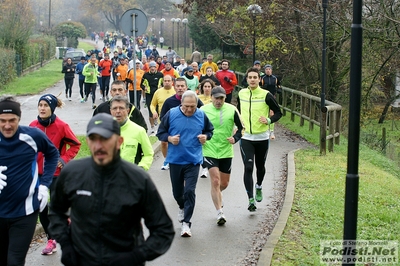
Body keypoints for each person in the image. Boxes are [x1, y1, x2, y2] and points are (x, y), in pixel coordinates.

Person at [48, 113, 174, 266]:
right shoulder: (72, 173)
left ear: (119, 141)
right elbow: (56, 211)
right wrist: (66, 245)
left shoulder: (137, 179)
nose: (99, 145)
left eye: (106, 139)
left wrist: (137, 256)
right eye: (93, 139)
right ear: (87, 141)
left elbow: (163, 230)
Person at [0, 96, 58, 266]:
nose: (7, 125)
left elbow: (53, 154)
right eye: (2, 121)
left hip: (25, 212)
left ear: (19, 118)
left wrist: (44, 186)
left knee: (15, 261)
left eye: (12, 120)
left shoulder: (32, 135)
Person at [29, 94, 81, 256]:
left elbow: (75, 145)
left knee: (56, 208)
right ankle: (51, 240)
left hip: (56, 173)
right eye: (40, 105)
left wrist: (63, 159)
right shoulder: (33, 126)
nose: (42, 108)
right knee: (41, 208)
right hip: (37, 175)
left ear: (51, 108)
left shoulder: (61, 126)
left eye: (45, 105)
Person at [157, 91, 214, 237]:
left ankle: (186, 223)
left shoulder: (201, 115)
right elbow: (160, 133)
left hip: (193, 160)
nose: (189, 109)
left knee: (189, 191)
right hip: (176, 160)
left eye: (193, 106)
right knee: (177, 193)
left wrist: (205, 136)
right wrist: (169, 138)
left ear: (197, 104)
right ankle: (181, 206)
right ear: (181, 103)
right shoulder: (172, 114)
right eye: (186, 106)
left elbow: (210, 130)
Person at [237, 67, 282, 212]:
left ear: (259, 79)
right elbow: (238, 110)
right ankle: (250, 199)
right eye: (250, 77)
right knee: (248, 167)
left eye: (255, 77)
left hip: (262, 137)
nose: (252, 79)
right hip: (246, 137)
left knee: (260, 166)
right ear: (247, 79)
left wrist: (269, 120)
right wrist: (238, 126)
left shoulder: (266, 95)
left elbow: (279, 112)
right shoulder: (241, 93)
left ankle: (259, 186)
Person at [200, 86, 244, 225]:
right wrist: (201, 137)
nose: (219, 101)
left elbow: (241, 128)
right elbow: (196, 126)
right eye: (216, 98)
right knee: (215, 181)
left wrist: (235, 138)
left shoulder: (232, 109)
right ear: (211, 97)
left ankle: (218, 194)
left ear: (225, 98)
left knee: (223, 184)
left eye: (221, 98)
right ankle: (220, 213)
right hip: (209, 148)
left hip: (226, 150)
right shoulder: (203, 110)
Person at [110, 96, 154, 170]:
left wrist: (141, 168)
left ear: (128, 110)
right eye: (115, 108)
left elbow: (148, 154)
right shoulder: (103, 131)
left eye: (121, 108)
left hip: (131, 178)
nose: (118, 111)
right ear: (110, 111)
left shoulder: (139, 131)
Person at [150, 75, 175, 167]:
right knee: (164, 142)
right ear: (162, 82)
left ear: (172, 81)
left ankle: (175, 159)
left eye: (169, 80)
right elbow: (152, 104)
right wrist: (154, 111)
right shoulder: (158, 92)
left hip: (176, 120)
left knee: (175, 141)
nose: (167, 82)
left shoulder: (176, 90)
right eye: (165, 81)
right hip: (163, 120)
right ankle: (167, 160)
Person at [260, 64, 282, 140]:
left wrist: (279, 89)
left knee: (272, 114)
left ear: (271, 70)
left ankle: (271, 131)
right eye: (266, 69)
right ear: (264, 70)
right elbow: (258, 86)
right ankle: (265, 128)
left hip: (272, 97)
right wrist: (262, 87)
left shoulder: (275, 78)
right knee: (265, 113)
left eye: (269, 69)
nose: (268, 70)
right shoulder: (262, 78)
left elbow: (279, 84)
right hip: (264, 97)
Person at [141, 61, 164, 133]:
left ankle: (156, 121)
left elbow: (164, 83)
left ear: (156, 67)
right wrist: (144, 88)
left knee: (157, 110)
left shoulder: (160, 74)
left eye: (154, 67)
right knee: (150, 111)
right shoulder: (146, 75)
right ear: (149, 68)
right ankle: (152, 127)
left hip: (158, 94)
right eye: (151, 67)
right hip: (149, 95)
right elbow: (141, 85)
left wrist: (162, 86)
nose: (152, 68)